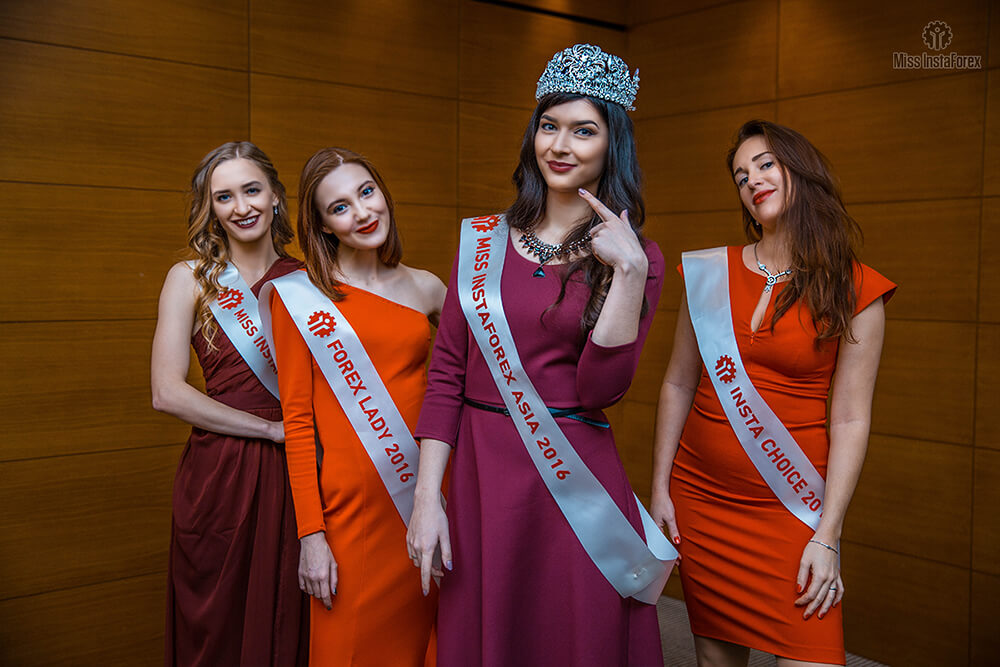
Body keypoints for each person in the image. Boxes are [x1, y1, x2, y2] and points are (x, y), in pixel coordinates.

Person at [406, 44, 672, 666]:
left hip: (573, 477)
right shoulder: (481, 242)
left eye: (584, 131)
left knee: (571, 634)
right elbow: (446, 374)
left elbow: (602, 390)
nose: (561, 145)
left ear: (612, 144)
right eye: (549, 126)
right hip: (484, 477)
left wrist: (629, 274)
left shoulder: (638, 257)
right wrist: (426, 499)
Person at [650, 119, 896, 666]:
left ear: (801, 171)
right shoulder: (708, 273)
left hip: (793, 506)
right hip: (701, 501)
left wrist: (828, 534)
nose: (752, 180)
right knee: (716, 660)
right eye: (741, 176)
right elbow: (677, 382)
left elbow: (851, 419)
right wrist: (660, 488)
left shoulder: (856, 287)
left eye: (765, 165)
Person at [262, 147, 445, 666]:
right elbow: (298, 424)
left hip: (427, 496)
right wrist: (311, 536)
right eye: (340, 207)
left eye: (367, 192)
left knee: (430, 643)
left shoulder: (427, 287)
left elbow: (466, 384)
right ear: (322, 225)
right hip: (351, 511)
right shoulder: (300, 299)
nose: (363, 212)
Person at [152, 141, 308, 667]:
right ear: (211, 207)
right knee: (216, 624)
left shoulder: (310, 280)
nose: (241, 207)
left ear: (275, 196)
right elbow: (166, 391)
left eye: (252, 190)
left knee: (289, 614)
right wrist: (269, 430)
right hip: (220, 472)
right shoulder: (191, 278)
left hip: (298, 470)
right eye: (224, 197)